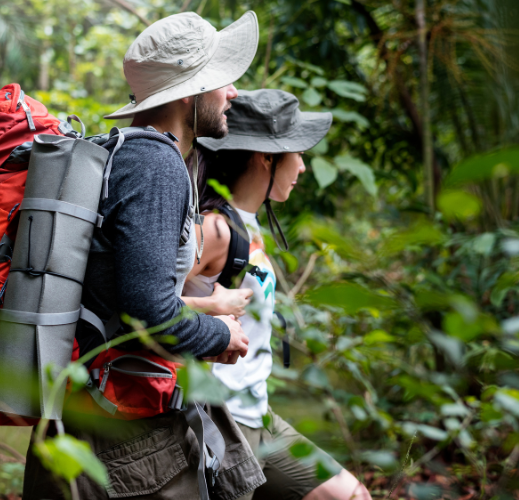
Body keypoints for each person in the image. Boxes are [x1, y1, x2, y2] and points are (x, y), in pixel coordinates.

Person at [23, 11, 268, 500]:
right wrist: (220, 333)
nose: (232, 93)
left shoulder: (129, 152)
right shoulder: (156, 164)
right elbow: (149, 313)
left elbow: (125, 293)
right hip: (125, 440)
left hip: (98, 414)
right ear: (189, 92)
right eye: (220, 80)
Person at [184, 89, 372, 500]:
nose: (302, 166)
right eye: (297, 153)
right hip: (223, 424)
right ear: (265, 157)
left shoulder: (246, 226)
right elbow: (145, 303)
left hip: (260, 415)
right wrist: (211, 306)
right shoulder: (214, 229)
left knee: (353, 495)